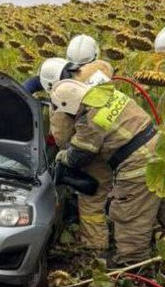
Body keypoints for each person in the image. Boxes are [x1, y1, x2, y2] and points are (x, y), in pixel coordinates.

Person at [51, 79, 160, 265]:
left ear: (68, 106)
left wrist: (62, 156)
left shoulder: (88, 120)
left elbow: (80, 156)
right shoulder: (110, 94)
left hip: (138, 165)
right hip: (161, 151)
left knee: (130, 215)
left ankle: (132, 263)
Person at [38, 57, 114, 252]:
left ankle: (95, 249)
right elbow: (108, 67)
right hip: (118, 141)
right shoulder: (93, 71)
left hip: (93, 153)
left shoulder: (60, 106)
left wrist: (63, 157)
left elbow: (64, 140)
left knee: (91, 203)